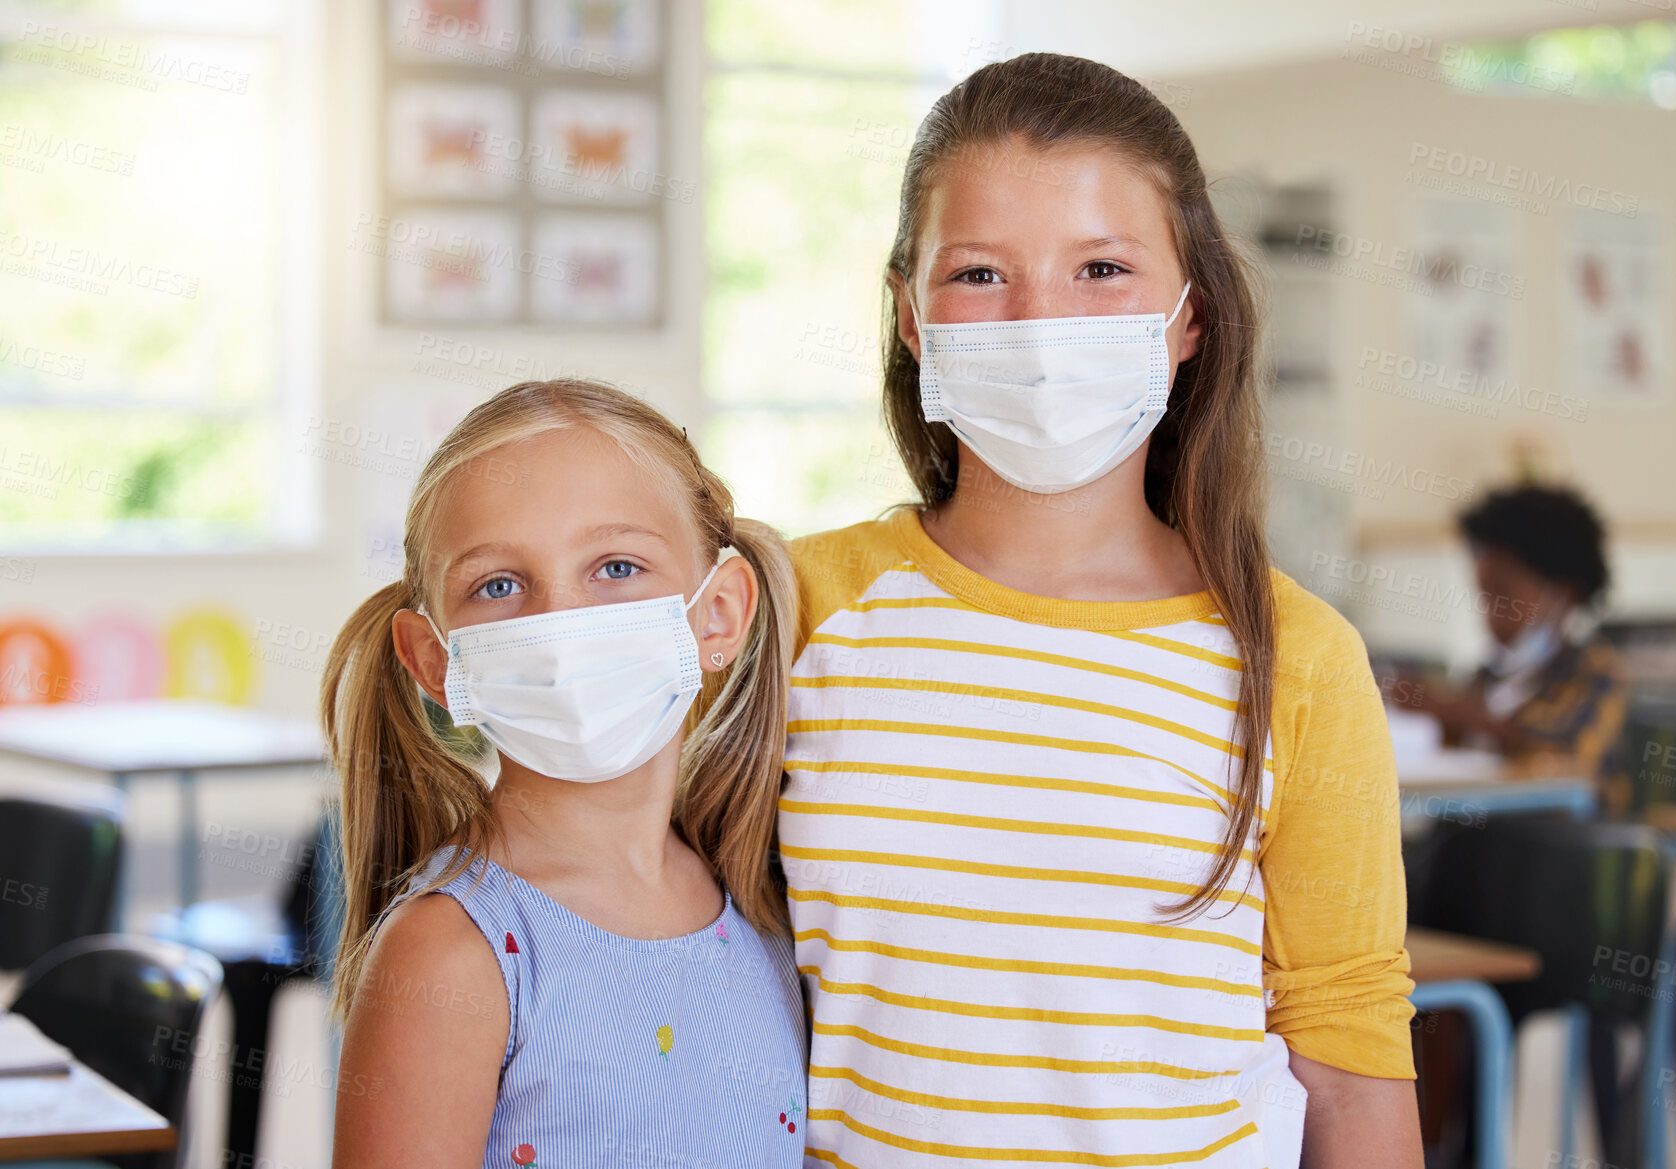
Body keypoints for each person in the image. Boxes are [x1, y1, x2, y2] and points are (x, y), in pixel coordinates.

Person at [780, 54, 1421, 1169]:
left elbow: (1352, 1081)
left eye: (1102, 269)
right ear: (910, 316)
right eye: (979, 274)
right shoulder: (796, 606)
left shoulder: (1297, 658)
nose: (1039, 324)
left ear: (1190, 317)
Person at [323, 380, 808, 1168]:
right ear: (435, 660)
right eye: (500, 586)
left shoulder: (761, 905)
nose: (560, 621)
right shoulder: (450, 953)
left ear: (717, 612)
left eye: (616, 566)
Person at [1413, 484, 1626, 803]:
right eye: (1484, 595)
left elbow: (1565, 753)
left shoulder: (1597, 671)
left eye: (1505, 595)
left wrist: (1458, 712)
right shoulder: (1489, 676)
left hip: (1568, 842)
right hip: (1483, 831)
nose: (1491, 613)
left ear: (1565, 593)